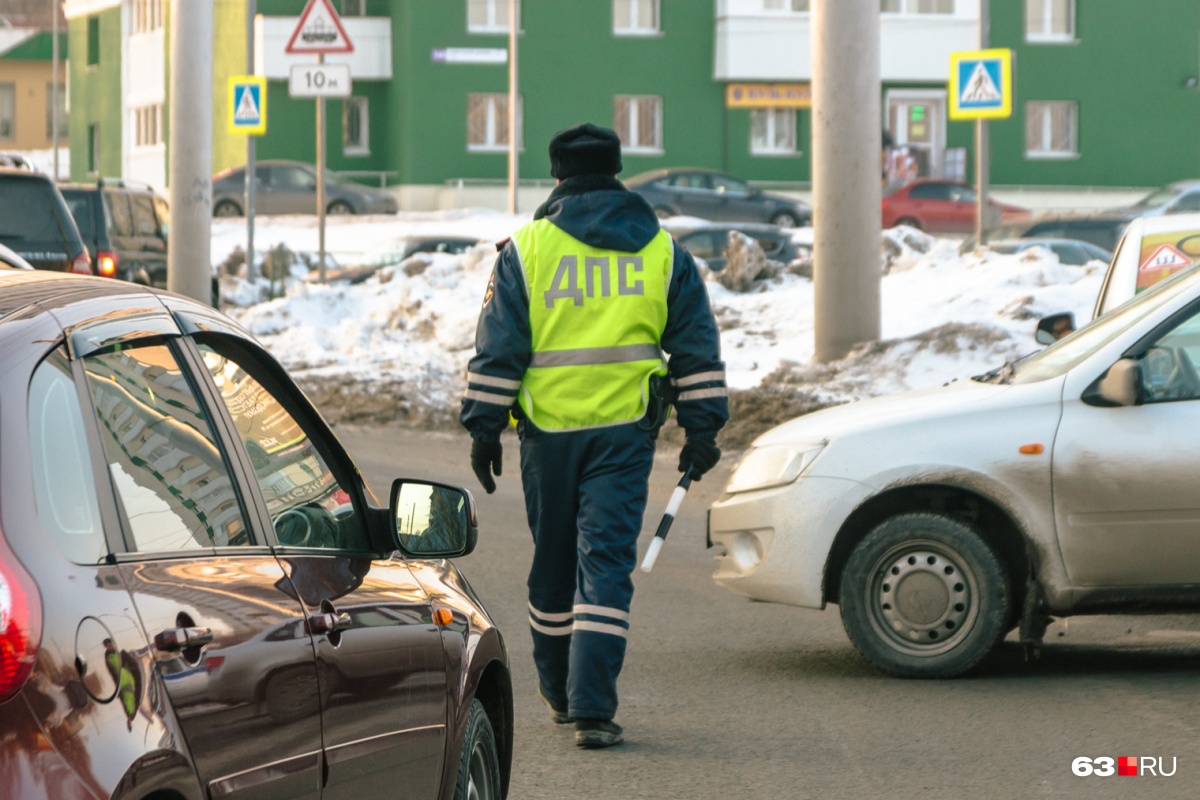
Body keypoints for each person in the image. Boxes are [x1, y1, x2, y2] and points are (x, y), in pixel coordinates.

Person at [460, 123, 728, 749]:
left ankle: (559, 692)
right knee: (605, 567)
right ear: (616, 172)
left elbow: (498, 350)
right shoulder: (663, 252)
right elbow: (697, 351)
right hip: (624, 438)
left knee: (552, 567)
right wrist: (702, 429)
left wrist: (484, 428)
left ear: (556, 176)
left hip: (547, 437)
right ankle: (593, 708)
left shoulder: (526, 251)